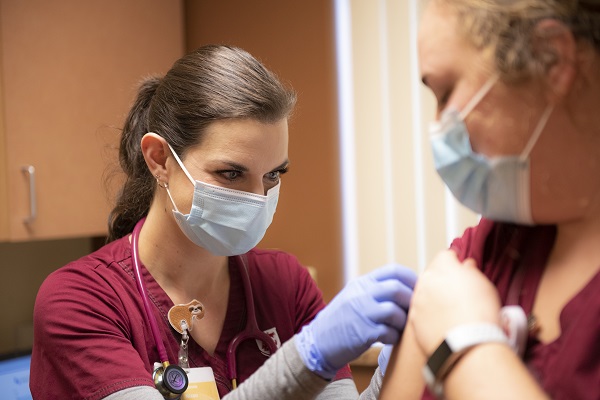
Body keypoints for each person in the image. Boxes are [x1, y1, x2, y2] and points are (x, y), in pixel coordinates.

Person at [30, 44, 416, 400]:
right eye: (231, 174)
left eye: (273, 175)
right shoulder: (80, 302)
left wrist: (400, 367)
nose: (256, 199)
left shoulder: (285, 284)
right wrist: (307, 355)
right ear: (160, 160)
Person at [379, 0, 600, 399]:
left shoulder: (470, 273)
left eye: (446, 93)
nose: (436, 127)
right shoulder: (493, 244)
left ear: (552, 60)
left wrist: (468, 346)